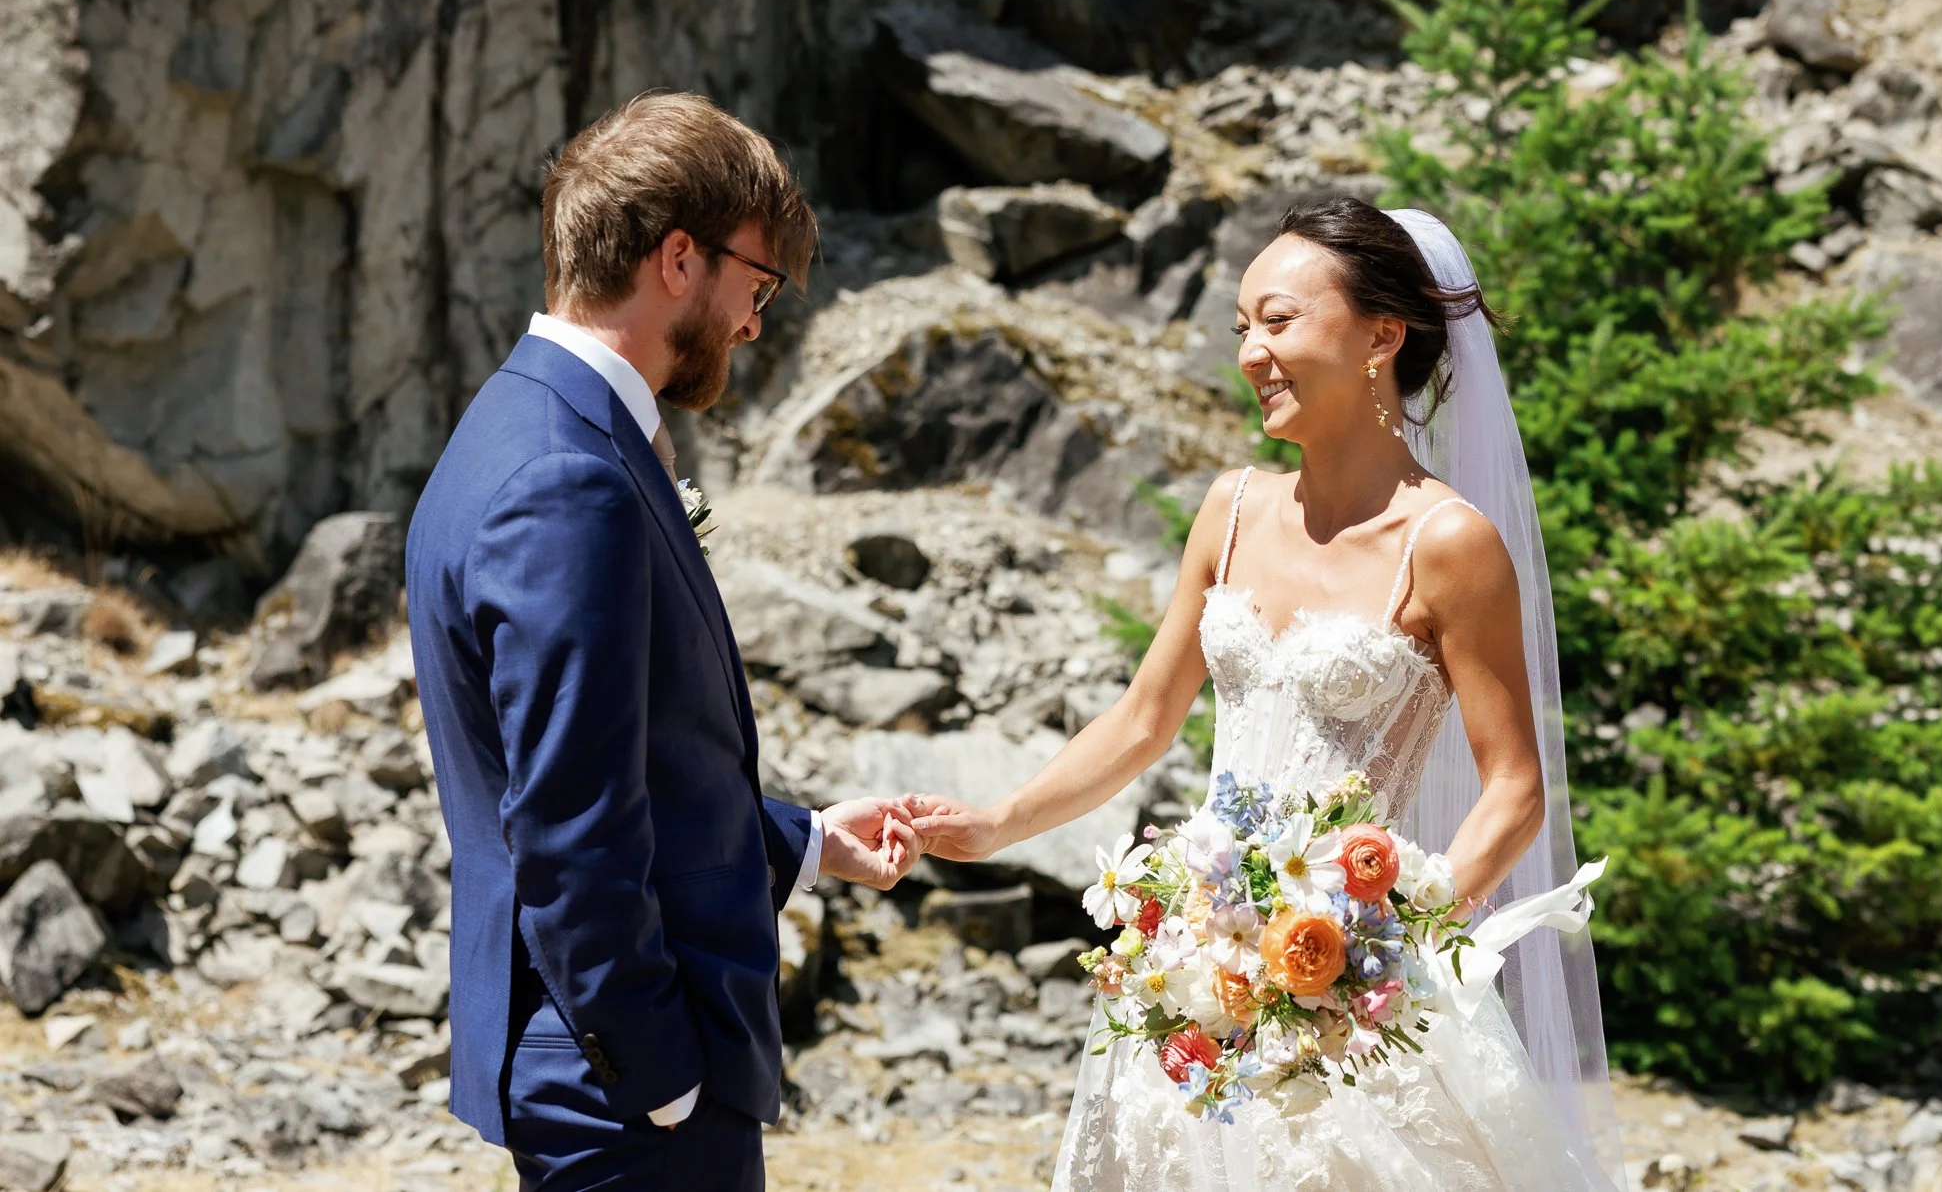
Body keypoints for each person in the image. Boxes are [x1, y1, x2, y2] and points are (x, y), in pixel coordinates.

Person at [906, 198, 1626, 1189]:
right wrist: (999, 822)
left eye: (1279, 322)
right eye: (1243, 326)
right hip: (1193, 980)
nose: (1252, 352)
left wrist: (1387, 952)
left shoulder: (1448, 544)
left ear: (1382, 335)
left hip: (1357, 997)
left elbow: (1514, 790)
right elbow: (1144, 717)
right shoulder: (1231, 509)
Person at [405, 92, 924, 1191]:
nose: (755, 322)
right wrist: (657, 1075)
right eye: (758, 283)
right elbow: (568, 822)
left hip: (599, 1075)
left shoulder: (518, 421)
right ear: (678, 259)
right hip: (624, 1100)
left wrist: (809, 839)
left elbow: (631, 764)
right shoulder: (564, 476)